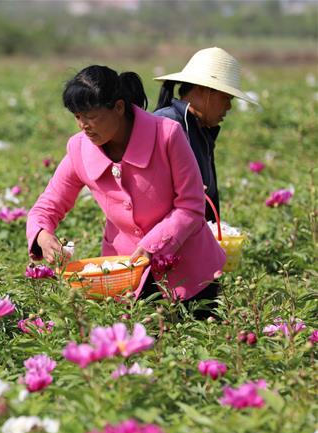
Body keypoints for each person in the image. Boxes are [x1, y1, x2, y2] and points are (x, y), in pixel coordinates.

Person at [26, 65, 226, 315]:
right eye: (77, 117)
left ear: (119, 107)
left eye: (91, 116)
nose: (83, 126)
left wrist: (153, 245)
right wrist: (42, 235)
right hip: (123, 277)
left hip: (190, 275)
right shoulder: (79, 148)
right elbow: (47, 205)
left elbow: (191, 205)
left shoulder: (167, 135)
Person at [153, 47, 258, 222]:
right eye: (226, 98)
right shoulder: (167, 123)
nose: (229, 107)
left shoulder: (199, 129)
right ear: (204, 90)